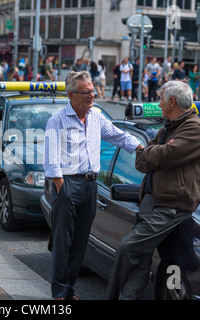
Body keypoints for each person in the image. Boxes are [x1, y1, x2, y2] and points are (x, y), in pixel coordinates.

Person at [106, 80, 200, 300]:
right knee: (139, 263)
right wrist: (154, 151)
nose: (159, 103)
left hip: (170, 206)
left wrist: (153, 151)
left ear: (172, 101)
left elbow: (164, 155)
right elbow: (142, 162)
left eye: (161, 99)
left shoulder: (196, 128)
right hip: (150, 202)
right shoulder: (167, 128)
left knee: (128, 248)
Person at [44, 71, 143, 300]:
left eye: (93, 90)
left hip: (90, 186)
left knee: (80, 242)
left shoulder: (96, 117)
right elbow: (51, 160)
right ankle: (59, 293)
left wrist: (143, 148)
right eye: (87, 92)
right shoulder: (57, 120)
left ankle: (69, 290)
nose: (93, 95)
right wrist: (62, 188)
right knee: (63, 241)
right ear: (71, 95)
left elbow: (119, 136)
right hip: (67, 184)